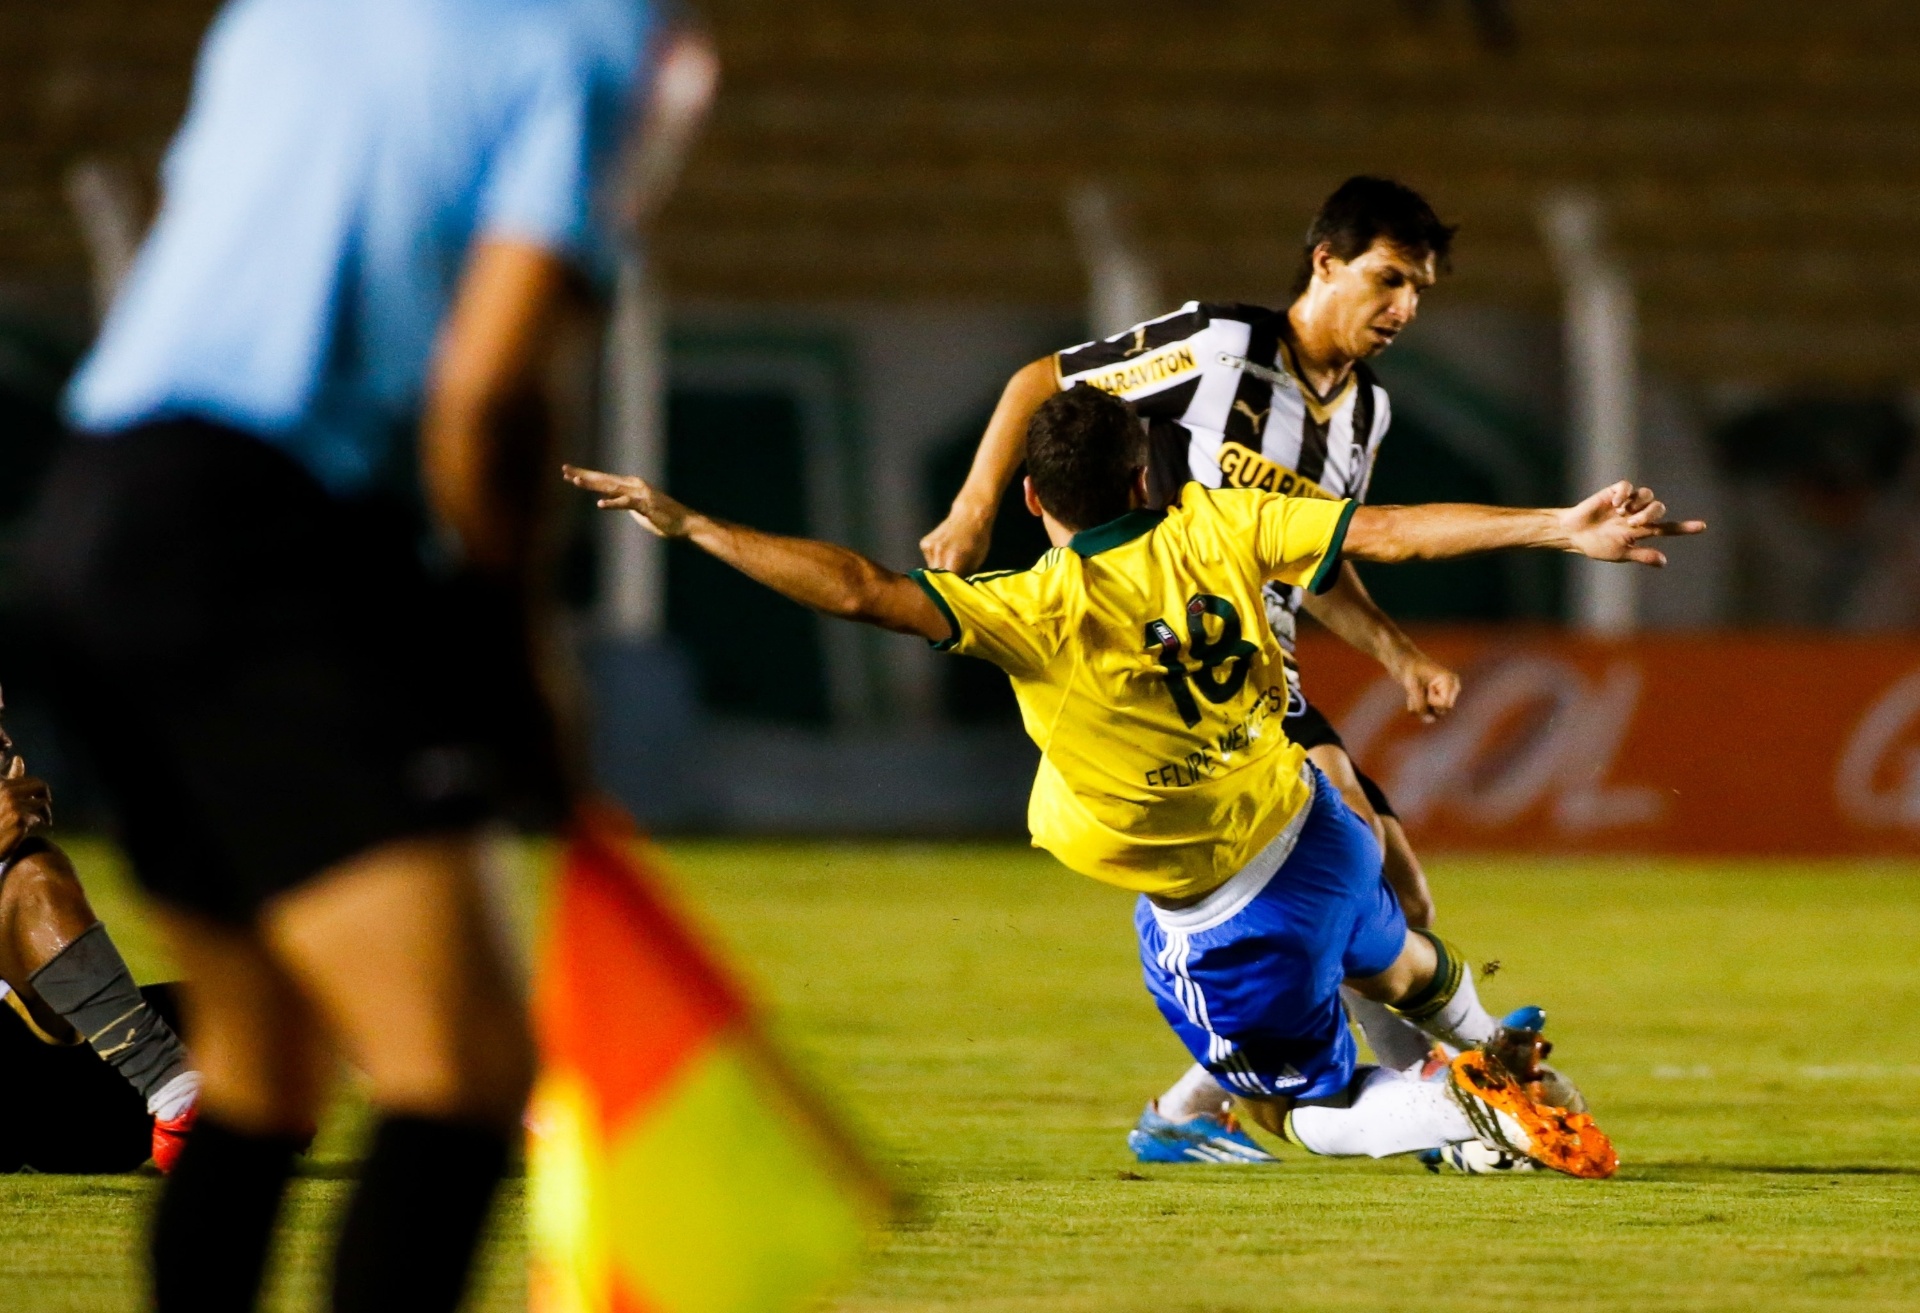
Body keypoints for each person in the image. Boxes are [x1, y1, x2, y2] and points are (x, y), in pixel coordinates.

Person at [565, 384, 1703, 1176]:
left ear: (1031, 501)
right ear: (1144, 472)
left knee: (1284, 1109)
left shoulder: (1032, 608)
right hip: (1317, 824)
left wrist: (692, 520)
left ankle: (1467, 1111)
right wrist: (1559, 525)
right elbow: (1392, 532)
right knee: (1404, 961)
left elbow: (860, 587)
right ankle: (1503, 1052)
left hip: (1229, 916)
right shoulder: (1219, 519)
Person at [24, 0, 662, 1308]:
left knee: (259, 1077)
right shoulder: (589, 35)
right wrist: (512, 644)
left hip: (93, 510)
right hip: (259, 528)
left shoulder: (285, 13)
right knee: (465, 1076)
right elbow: (488, 387)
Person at [921, 176, 1491, 1161]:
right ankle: (1433, 1112)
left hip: (1268, 677)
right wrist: (974, 511)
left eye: (1419, 291)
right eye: (1389, 278)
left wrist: (1400, 653)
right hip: (1179, 670)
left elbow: (1314, 557)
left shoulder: (1368, 417)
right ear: (1325, 261)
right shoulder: (1224, 344)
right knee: (1354, 848)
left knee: (1401, 893)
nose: (1403, 307)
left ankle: (1211, 1105)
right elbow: (1040, 382)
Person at [0, 710, 201, 1172]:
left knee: (219, 1010)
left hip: (45, 1108)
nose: (5, 738)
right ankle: (177, 1093)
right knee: (33, 875)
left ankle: (184, 1102)